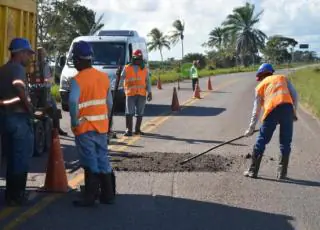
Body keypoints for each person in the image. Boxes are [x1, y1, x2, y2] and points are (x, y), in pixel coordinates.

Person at [68, 40, 115, 207]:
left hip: (84, 128)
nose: (74, 63)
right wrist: (106, 121)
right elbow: (109, 104)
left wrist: (74, 122)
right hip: (101, 128)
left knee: (90, 161)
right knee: (102, 158)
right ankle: (108, 195)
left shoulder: (77, 80)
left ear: (79, 60)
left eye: (74, 59)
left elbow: (73, 102)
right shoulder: (103, 77)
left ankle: (89, 197)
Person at [243, 63, 298, 180]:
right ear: (271, 72)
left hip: (271, 111)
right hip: (288, 109)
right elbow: (295, 96)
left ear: (261, 75)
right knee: (285, 142)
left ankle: (253, 171)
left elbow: (256, 110)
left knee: (262, 140)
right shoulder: (282, 78)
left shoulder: (260, 86)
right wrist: (293, 113)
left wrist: (251, 128)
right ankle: (282, 174)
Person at [0, 38, 35, 206]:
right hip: (19, 119)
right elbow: (19, 88)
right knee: (21, 158)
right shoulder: (18, 69)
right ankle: (17, 195)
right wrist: (29, 107)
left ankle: (9, 195)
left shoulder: (3, 70)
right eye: (28, 53)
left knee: (12, 158)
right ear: (20, 53)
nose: (29, 57)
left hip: (5, 118)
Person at [120, 49, 152, 137]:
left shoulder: (144, 68)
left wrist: (149, 92)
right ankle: (129, 130)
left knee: (140, 113)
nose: (138, 60)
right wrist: (121, 89)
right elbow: (121, 79)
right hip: (130, 93)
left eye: (139, 58)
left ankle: (137, 130)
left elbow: (148, 81)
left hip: (141, 94)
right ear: (133, 58)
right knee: (129, 112)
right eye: (136, 58)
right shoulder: (127, 68)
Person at [37, 47, 68, 136]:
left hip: (43, 90)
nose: (42, 55)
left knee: (54, 109)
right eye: (41, 53)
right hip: (44, 91)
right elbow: (47, 80)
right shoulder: (41, 65)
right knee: (54, 109)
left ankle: (56, 128)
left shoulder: (40, 64)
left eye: (43, 53)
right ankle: (57, 129)